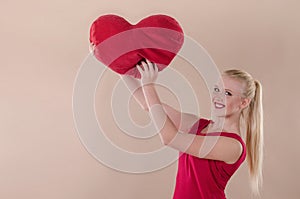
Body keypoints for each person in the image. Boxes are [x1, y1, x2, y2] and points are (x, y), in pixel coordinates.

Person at [121, 59, 264, 199]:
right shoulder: (198, 125)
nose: (218, 97)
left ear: (244, 102)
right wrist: (116, 63)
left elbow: (170, 138)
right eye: (216, 90)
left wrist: (149, 85)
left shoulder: (233, 145)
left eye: (227, 93)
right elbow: (149, 105)